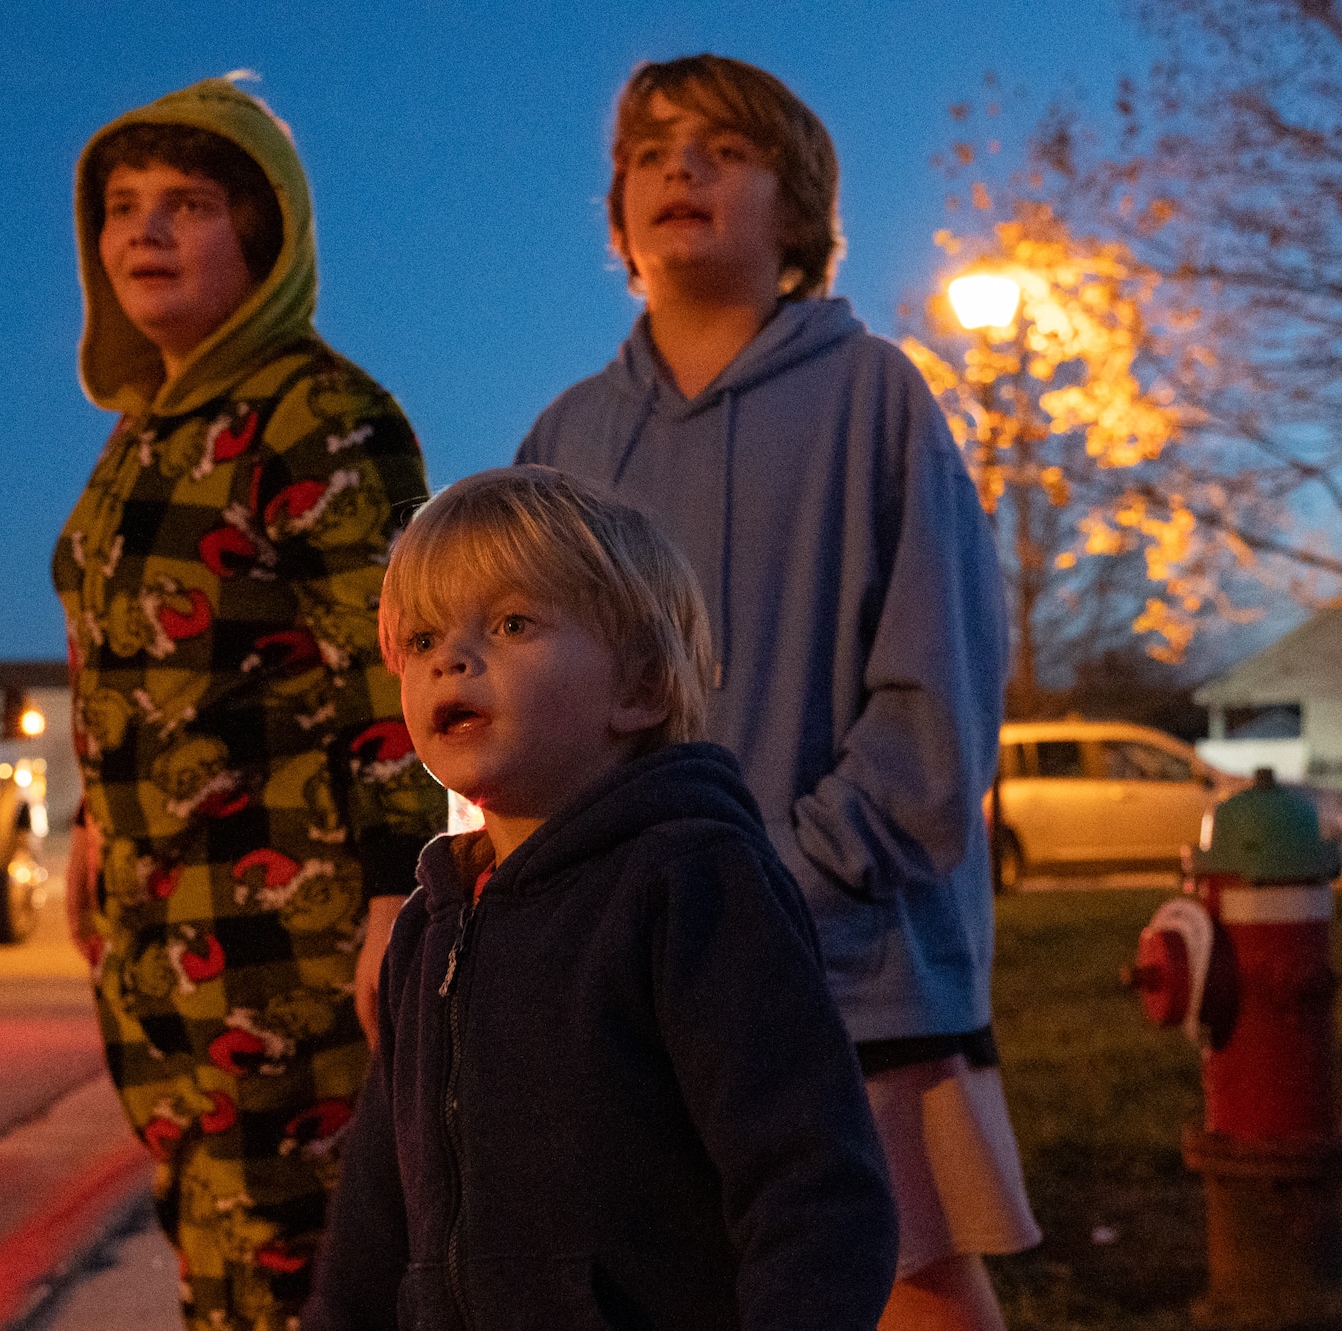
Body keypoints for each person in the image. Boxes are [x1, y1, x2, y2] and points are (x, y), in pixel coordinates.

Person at [516, 55, 1040, 1330]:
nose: (678, 170)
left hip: (847, 966)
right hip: (629, 969)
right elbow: (520, 713)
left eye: (721, 149)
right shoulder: (566, 442)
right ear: (616, 218)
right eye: (649, 153)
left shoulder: (877, 398)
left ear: (796, 213)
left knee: (898, 1277)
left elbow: (933, 707)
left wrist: (781, 883)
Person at [306, 467, 898, 1330]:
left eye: (511, 623)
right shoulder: (431, 928)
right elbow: (374, 1217)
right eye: (425, 636)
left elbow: (815, 1190)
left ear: (641, 689)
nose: (453, 658)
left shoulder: (690, 882)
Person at [55, 77, 442, 1331]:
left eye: (188, 204)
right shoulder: (142, 433)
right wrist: (86, 833)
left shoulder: (321, 417)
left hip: (291, 938)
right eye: (121, 208)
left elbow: (392, 669)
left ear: (263, 236)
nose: (144, 234)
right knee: (209, 1237)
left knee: (308, 1265)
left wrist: (400, 894)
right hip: (152, 926)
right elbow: (121, 665)